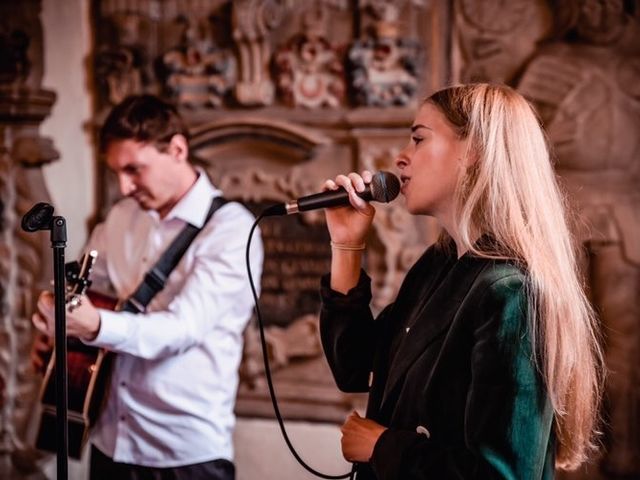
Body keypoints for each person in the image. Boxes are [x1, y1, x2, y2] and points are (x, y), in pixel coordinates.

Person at [319, 83, 603, 479]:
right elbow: (353, 365)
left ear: (474, 153)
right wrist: (346, 245)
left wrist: (383, 446)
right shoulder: (437, 267)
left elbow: (500, 474)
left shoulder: (511, 292)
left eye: (418, 139)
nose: (400, 158)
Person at [31, 94, 263, 480]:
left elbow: (182, 329)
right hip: (108, 439)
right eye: (117, 173)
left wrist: (95, 326)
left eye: (134, 170)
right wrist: (59, 328)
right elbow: (89, 291)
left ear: (176, 149)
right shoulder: (122, 217)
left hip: (184, 453)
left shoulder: (233, 230)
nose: (124, 187)